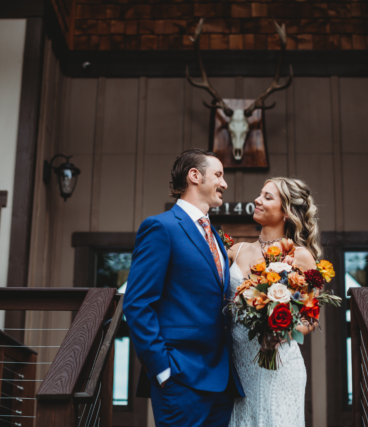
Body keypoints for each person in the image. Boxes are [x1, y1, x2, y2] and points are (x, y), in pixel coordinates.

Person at [122, 148, 244, 427]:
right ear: (194, 176)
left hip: (222, 383)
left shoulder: (214, 234)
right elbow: (137, 303)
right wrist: (162, 369)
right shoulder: (161, 228)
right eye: (218, 175)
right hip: (180, 379)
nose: (224, 183)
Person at [227, 177, 321, 427]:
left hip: (280, 366)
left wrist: (282, 330)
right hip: (239, 366)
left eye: (268, 197)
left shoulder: (300, 256)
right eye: (260, 194)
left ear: (286, 212)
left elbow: (310, 318)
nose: (257, 200)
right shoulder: (236, 251)